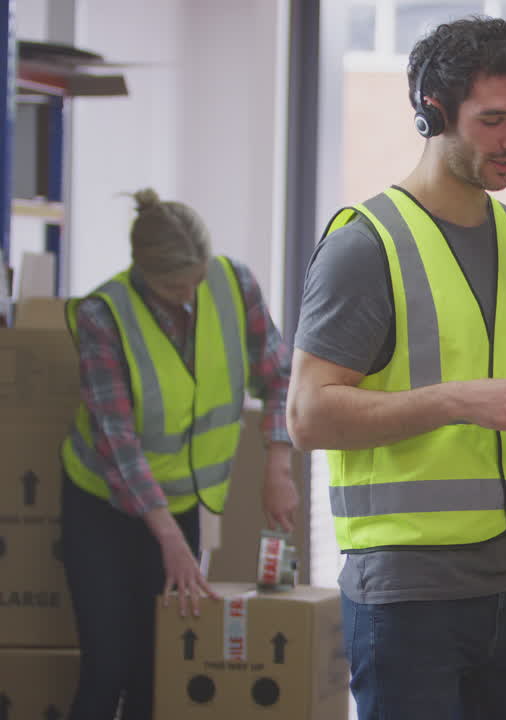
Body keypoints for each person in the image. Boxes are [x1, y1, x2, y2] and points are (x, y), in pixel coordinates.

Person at [286, 16, 506, 720]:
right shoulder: (366, 246)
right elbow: (307, 415)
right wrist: (453, 401)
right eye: (492, 121)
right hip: (406, 600)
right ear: (432, 114)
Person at [60, 188, 297, 720]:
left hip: (183, 502)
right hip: (103, 505)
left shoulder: (234, 286)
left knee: (161, 665)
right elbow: (118, 442)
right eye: (173, 286)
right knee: (108, 667)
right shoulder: (105, 316)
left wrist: (278, 465)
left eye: (196, 278)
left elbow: (279, 375)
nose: (188, 296)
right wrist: (167, 537)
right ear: (142, 271)